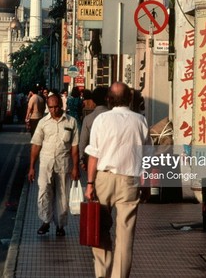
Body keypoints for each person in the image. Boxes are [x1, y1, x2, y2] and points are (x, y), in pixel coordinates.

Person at [84, 82, 152, 278]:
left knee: (100, 228)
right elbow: (147, 155)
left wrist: (90, 184)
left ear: (109, 99)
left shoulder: (101, 120)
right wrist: (146, 184)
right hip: (130, 181)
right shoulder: (140, 121)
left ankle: (102, 273)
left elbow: (94, 155)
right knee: (125, 236)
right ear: (129, 99)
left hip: (103, 179)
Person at [28, 94, 80, 237]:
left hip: (64, 163)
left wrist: (76, 167)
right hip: (46, 163)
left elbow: (75, 147)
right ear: (47, 107)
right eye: (50, 107)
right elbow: (36, 145)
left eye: (56, 106)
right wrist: (32, 167)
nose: (54, 110)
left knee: (62, 195)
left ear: (61, 106)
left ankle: (60, 225)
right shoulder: (43, 123)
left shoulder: (71, 122)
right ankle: (45, 221)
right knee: (44, 191)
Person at [78, 86, 109, 170]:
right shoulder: (114, 117)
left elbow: (83, 141)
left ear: (94, 100)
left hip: (93, 160)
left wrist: (82, 159)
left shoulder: (88, 118)